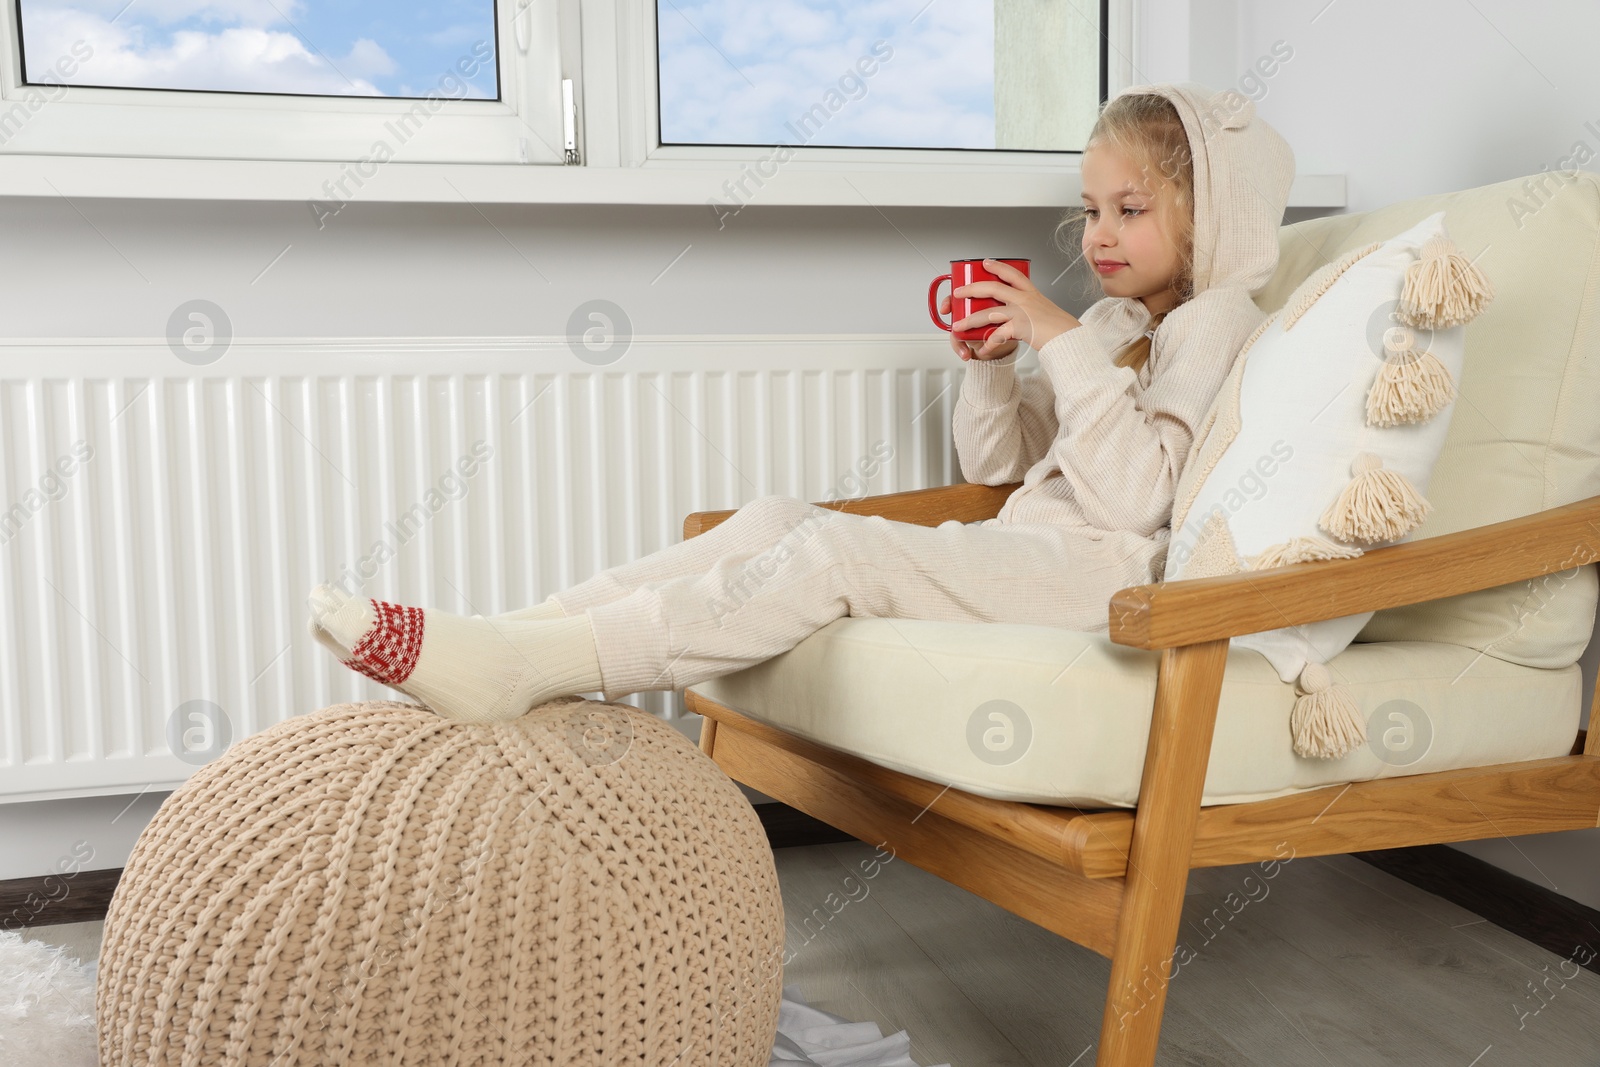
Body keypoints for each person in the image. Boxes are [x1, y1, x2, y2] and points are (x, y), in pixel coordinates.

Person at [306, 81, 1296, 725]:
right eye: (1089, 210)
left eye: (1129, 210)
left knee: (834, 550)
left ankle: (527, 660)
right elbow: (1000, 468)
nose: (1097, 235)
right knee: (779, 519)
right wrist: (993, 363)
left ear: (1210, 217)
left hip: (1099, 577)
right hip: (1036, 549)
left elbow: (1132, 501)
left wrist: (1055, 335)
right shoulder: (1119, 326)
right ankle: (508, 633)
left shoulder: (1213, 321)